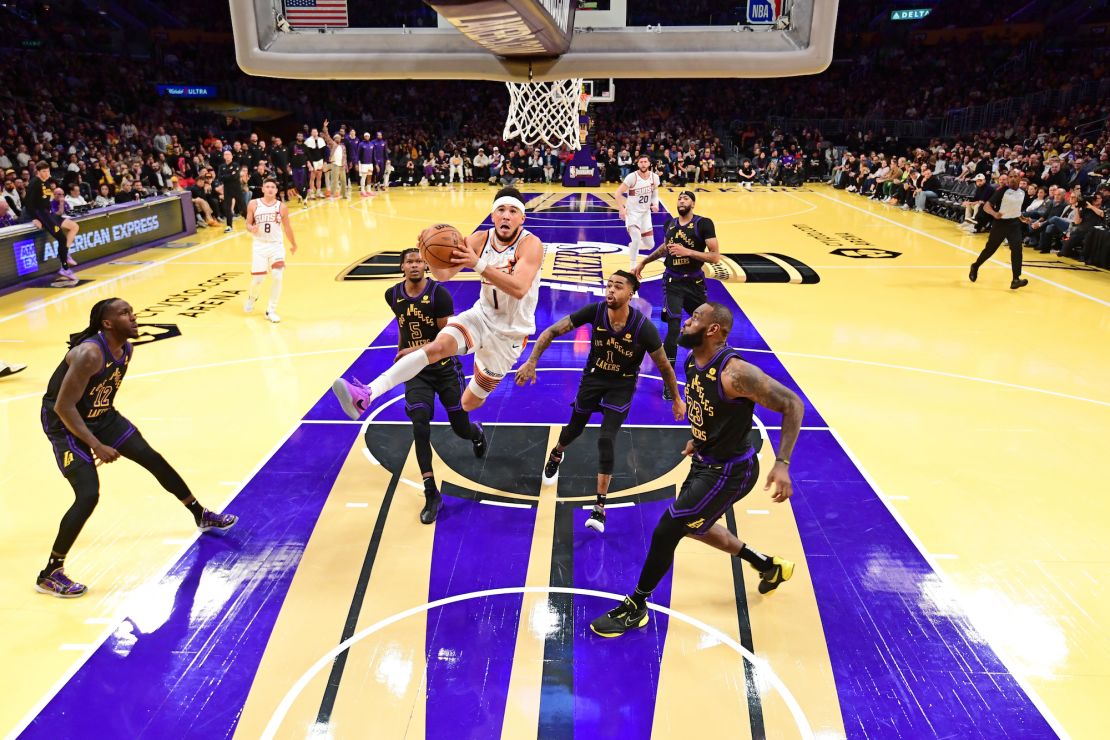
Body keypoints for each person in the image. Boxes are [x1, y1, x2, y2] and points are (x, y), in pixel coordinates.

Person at [589, 303, 801, 637]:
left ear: (714, 330)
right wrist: (698, 437)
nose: (686, 321)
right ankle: (767, 565)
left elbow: (792, 404)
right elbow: (710, 408)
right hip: (706, 459)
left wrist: (783, 463)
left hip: (730, 470)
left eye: (695, 318)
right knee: (695, 526)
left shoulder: (736, 373)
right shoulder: (691, 360)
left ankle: (637, 606)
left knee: (668, 528)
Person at [37, 298, 237, 598]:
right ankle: (50, 572)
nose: (133, 317)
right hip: (64, 422)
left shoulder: (126, 349)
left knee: (151, 458)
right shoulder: (90, 353)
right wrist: (95, 444)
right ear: (107, 323)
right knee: (88, 493)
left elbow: (100, 394)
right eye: (124, 313)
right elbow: (64, 407)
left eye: (132, 311)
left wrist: (105, 431)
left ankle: (200, 513)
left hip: (100, 416)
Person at [332, 187, 542, 417]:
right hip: (481, 316)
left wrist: (477, 264)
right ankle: (366, 395)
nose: (506, 215)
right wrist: (426, 250)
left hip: (509, 334)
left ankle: (477, 358)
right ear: (492, 216)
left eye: (513, 211)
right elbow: (443, 275)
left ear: (522, 218)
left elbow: (520, 288)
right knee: (438, 347)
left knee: (469, 403)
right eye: (500, 210)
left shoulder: (530, 245)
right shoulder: (479, 239)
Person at [516, 271, 685, 532]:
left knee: (606, 439)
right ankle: (557, 453)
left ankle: (599, 507)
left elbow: (664, 366)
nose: (610, 290)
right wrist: (531, 360)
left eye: (618, 287)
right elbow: (551, 331)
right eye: (608, 285)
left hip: (622, 384)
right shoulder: (595, 312)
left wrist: (676, 398)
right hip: (594, 379)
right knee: (574, 429)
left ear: (630, 294)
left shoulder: (643, 327)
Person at [387, 248, 488, 523]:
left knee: (460, 427)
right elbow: (402, 327)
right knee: (420, 423)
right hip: (417, 373)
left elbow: (446, 340)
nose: (415, 265)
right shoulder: (393, 294)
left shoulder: (439, 295)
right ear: (402, 267)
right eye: (410, 261)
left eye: (420, 260)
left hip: (444, 369)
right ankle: (431, 492)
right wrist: (403, 359)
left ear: (426, 266)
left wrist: (412, 352)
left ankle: (475, 432)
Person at [632, 191, 720, 398]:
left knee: (705, 327)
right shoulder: (670, 224)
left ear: (693, 204)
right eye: (679, 198)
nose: (682, 201)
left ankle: (711, 372)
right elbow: (665, 248)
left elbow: (715, 256)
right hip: (672, 282)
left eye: (686, 198)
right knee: (672, 331)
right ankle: (668, 384)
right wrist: (644, 261)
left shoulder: (703, 224)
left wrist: (688, 252)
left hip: (695, 282)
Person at [245, 178, 299, 322]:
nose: (270, 189)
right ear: (262, 189)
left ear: (276, 190)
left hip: (276, 246)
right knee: (258, 279)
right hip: (259, 245)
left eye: (273, 187)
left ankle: (271, 310)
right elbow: (247, 224)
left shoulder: (281, 207)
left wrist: (294, 244)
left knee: (277, 276)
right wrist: (252, 228)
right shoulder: (253, 204)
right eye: (267, 186)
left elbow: (287, 227)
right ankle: (252, 297)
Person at [969, 171, 1028, 290]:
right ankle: (975, 266)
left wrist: (1022, 217)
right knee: (990, 249)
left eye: (1015, 177)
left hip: (1015, 224)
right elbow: (986, 206)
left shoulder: (1022, 193)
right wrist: (994, 214)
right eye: (1010, 177)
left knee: (1017, 249)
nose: (1012, 179)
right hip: (1000, 224)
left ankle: (1015, 279)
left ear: (1019, 179)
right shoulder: (1002, 191)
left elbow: (1016, 208)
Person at [26, 161, 78, 279]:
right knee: (62, 238)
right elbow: (28, 202)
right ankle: (65, 268)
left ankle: (65, 252)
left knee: (74, 226)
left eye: (48, 170)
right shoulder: (34, 182)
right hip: (42, 214)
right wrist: (35, 218)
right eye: (43, 171)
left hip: (50, 214)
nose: (46, 173)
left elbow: (47, 200)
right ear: (38, 172)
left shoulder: (47, 183)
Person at [615, 155, 660, 269]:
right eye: (641, 162)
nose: (643, 164)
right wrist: (621, 209)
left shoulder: (654, 177)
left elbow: (654, 193)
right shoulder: (632, 177)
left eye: (645, 162)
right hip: (632, 213)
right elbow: (617, 193)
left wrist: (655, 204)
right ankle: (632, 267)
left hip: (645, 214)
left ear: (649, 163)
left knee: (650, 245)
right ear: (638, 164)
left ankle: (633, 246)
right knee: (636, 237)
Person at [217, 150, 243, 233]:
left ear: (232, 156)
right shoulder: (221, 166)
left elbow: (235, 176)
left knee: (242, 205)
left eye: (229, 154)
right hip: (227, 189)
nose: (227, 156)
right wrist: (230, 175)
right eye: (225, 154)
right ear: (224, 156)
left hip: (236, 188)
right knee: (227, 208)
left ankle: (250, 221)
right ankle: (229, 226)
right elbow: (220, 178)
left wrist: (226, 176)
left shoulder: (236, 165)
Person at [305, 125, 328, 199]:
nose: (314, 133)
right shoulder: (308, 141)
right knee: (312, 178)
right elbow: (307, 154)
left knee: (319, 177)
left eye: (316, 132)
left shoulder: (321, 140)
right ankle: (311, 193)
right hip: (313, 161)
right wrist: (309, 163)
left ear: (317, 133)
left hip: (320, 161)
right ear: (311, 133)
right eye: (313, 132)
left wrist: (324, 161)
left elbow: (324, 152)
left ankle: (318, 192)